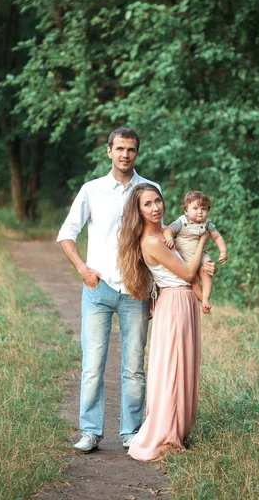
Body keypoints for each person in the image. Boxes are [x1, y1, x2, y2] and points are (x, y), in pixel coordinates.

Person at [56, 127, 160, 453]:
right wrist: (83, 270)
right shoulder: (92, 190)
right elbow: (67, 233)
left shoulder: (150, 190)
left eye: (131, 149)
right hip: (98, 289)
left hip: (136, 290)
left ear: (137, 153)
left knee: (134, 368)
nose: (125, 154)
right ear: (109, 151)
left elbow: (157, 242)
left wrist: (158, 289)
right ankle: (90, 432)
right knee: (92, 365)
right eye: (119, 148)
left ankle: (131, 433)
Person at [117, 183, 215, 461]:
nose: (155, 207)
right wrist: (203, 244)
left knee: (184, 366)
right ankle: (164, 432)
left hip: (184, 303)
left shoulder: (167, 233)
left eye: (157, 201)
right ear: (138, 211)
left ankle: (179, 428)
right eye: (147, 204)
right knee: (172, 370)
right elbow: (185, 272)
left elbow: (192, 273)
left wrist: (206, 271)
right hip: (174, 304)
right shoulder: (151, 241)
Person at [163, 190, 227, 314]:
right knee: (194, 281)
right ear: (186, 210)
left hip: (201, 254)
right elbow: (168, 230)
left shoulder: (207, 224)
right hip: (184, 256)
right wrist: (170, 238)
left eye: (203, 209)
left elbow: (217, 237)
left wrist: (223, 251)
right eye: (195, 208)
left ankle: (206, 298)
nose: (200, 212)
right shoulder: (181, 222)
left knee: (206, 272)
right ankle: (203, 301)